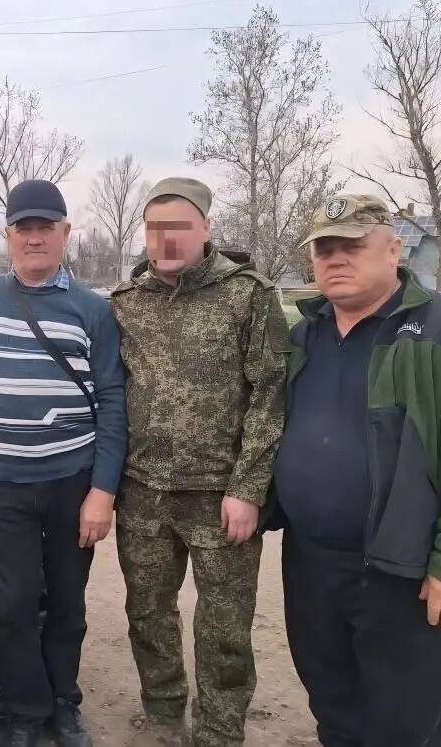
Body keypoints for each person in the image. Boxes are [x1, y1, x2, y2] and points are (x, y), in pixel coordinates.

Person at [272, 194, 441, 747]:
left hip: (404, 575)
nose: (335, 258)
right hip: (313, 565)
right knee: (334, 707)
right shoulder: (305, 336)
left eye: (352, 245)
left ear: (394, 249)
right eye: (324, 248)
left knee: (402, 726)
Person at [0, 180, 127, 747]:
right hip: (5, 482)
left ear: (66, 233)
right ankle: (25, 712)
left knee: (66, 604)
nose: (35, 237)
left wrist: (103, 491)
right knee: (15, 604)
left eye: (47, 227)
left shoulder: (93, 310)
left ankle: (63, 706)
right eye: (25, 227)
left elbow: (113, 400)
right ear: (8, 235)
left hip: (72, 482)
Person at [110, 177, 289, 747]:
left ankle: (218, 730)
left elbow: (270, 395)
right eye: (155, 228)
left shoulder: (248, 296)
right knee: (148, 614)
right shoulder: (125, 304)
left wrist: (249, 488)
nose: (167, 239)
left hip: (221, 495)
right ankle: (164, 713)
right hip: (143, 492)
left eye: (180, 227)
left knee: (225, 626)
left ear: (206, 228)